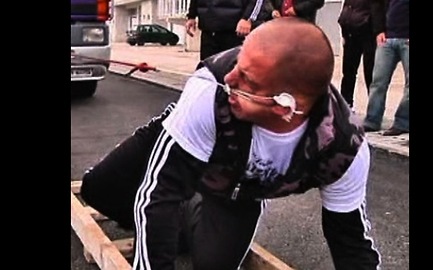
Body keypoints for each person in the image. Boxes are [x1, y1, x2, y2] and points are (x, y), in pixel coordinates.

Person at [80, 17, 381, 270]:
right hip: (186, 133)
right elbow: (159, 197)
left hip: (237, 186)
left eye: (246, 79)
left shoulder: (343, 148)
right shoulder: (210, 91)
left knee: (212, 264)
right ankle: (186, 189)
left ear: (284, 106)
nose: (229, 78)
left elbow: (351, 240)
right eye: (238, 63)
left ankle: (192, 206)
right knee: (98, 189)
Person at [363, 0, 409, 136]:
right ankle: (372, 120)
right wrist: (379, 30)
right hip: (387, 38)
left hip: (406, 38)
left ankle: (402, 123)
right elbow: (377, 5)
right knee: (378, 82)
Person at [185, 0, 265, 60]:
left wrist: (248, 19)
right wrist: (191, 15)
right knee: (208, 73)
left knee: (232, 72)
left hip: (234, 31)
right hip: (209, 29)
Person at [337, 0, 376, 110]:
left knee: (370, 72)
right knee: (348, 71)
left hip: (368, 32)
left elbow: (378, 9)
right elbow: (347, 8)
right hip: (350, 31)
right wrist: (344, 26)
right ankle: (346, 104)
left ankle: (374, 110)